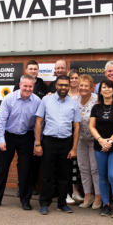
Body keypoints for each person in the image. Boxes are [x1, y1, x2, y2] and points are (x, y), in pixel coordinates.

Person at [0, 75, 41, 210]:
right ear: (20, 85)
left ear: (33, 87)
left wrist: (36, 143)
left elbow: (37, 124)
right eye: (25, 86)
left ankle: (25, 201)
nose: (28, 89)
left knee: (25, 170)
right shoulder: (9, 99)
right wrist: (1, 139)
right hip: (8, 136)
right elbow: (1, 121)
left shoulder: (37, 101)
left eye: (30, 86)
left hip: (26, 136)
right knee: (2, 168)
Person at [35, 75, 81, 215]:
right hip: (49, 141)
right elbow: (38, 122)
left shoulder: (73, 103)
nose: (63, 87)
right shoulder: (46, 100)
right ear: (56, 85)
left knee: (64, 175)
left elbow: (77, 127)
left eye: (66, 85)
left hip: (66, 143)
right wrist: (38, 143)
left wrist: (74, 148)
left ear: (69, 86)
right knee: (47, 174)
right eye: (61, 85)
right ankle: (44, 203)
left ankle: (62, 204)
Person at [89, 79, 113, 218]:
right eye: (104, 87)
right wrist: (101, 141)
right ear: (100, 91)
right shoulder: (96, 107)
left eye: (109, 88)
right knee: (103, 176)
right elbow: (92, 126)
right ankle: (105, 205)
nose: (106, 89)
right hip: (99, 146)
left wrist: (109, 141)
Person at [13, 60, 48, 197]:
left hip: (37, 130)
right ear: (26, 70)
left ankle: (32, 185)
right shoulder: (19, 85)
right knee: (23, 161)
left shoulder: (44, 86)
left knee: (35, 160)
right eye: (31, 69)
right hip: (22, 131)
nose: (33, 71)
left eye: (35, 69)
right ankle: (21, 186)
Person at [73, 74, 102, 209]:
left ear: (91, 87)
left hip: (95, 139)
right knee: (83, 168)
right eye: (81, 85)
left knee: (95, 169)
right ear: (78, 87)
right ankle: (87, 195)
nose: (83, 88)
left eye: (86, 86)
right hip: (80, 140)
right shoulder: (74, 100)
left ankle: (98, 196)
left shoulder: (97, 100)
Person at [67, 69, 84, 205]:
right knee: (67, 163)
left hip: (82, 135)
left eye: (76, 78)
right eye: (71, 78)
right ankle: (66, 192)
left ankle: (75, 191)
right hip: (68, 134)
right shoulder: (64, 94)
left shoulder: (83, 93)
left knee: (77, 166)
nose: (74, 80)